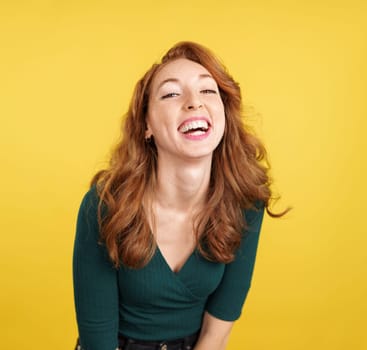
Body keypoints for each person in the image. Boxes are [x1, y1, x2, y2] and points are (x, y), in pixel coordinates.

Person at [73, 41, 287, 350]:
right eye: (172, 93)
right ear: (146, 125)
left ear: (223, 115)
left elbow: (217, 334)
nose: (194, 103)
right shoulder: (104, 206)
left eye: (208, 91)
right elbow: (98, 342)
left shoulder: (246, 202)